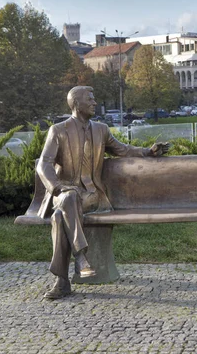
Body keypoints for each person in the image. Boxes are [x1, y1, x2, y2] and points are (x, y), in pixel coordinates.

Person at [37, 86, 168, 299]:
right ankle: (80, 258)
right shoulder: (58, 131)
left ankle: (64, 279)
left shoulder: (101, 130)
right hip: (65, 192)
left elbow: (122, 149)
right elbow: (44, 164)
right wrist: (58, 187)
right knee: (63, 208)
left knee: (62, 214)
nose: (95, 103)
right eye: (90, 99)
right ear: (76, 104)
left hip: (92, 195)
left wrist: (148, 152)